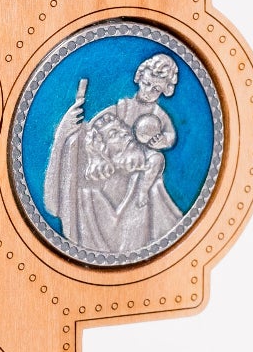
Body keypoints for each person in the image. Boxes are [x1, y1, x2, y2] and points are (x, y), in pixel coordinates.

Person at [42, 54, 186, 256]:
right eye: (146, 84)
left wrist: (163, 141)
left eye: (156, 89)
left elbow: (170, 136)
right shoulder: (122, 108)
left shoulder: (158, 114)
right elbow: (93, 131)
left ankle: (142, 189)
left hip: (138, 164)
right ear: (139, 78)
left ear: (164, 90)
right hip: (114, 164)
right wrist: (66, 135)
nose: (148, 91)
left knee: (156, 160)